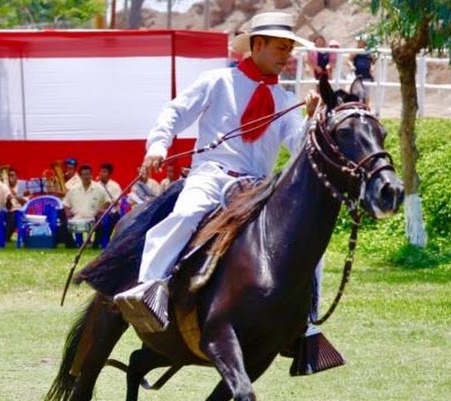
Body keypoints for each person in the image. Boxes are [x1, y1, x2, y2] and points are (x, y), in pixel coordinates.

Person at [114, 11, 326, 343]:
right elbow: (175, 111)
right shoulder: (217, 82)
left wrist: (312, 119)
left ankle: (306, 321)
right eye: (281, 48)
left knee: (308, 238)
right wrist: (157, 145)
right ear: (258, 45)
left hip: (258, 186)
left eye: (289, 49)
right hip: (212, 175)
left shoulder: (285, 99)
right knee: (186, 213)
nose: (287, 56)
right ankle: (148, 288)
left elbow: (299, 146)